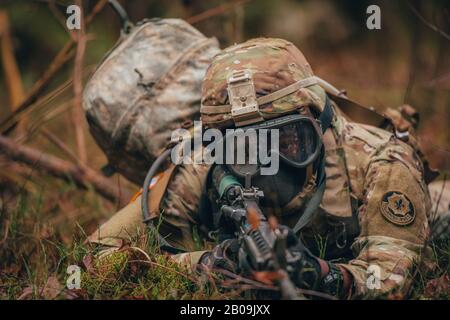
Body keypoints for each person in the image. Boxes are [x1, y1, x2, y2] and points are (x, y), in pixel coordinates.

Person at [88, 38, 436, 299]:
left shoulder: (381, 162)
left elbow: (390, 279)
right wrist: (209, 265)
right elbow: (97, 256)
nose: (268, 162)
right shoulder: (205, 160)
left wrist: (323, 277)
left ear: (319, 121)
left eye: (287, 139)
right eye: (245, 147)